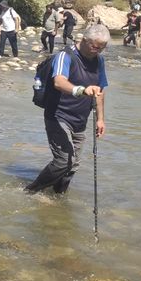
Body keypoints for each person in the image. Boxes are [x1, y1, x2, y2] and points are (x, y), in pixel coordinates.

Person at [25, 24, 109, 194]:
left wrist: (100, 119)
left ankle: (58, 196)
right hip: (58, 115)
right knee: (63, 161)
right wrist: (81, 90)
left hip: (80, 119)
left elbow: (100, 90)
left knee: (74, 164)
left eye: (102, 48)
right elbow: (59, 82)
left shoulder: (99, 60)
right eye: (95, 47)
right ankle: (31, 191)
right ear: (84, 40)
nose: (97, 51)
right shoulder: (65, 56)